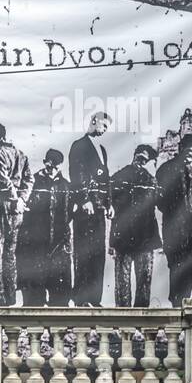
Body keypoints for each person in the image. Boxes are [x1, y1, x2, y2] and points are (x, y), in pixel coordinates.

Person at [0, 122, 33, 306]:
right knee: (10, 254)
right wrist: (22, 199)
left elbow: (2, 179)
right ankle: (9, 297)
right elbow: (29, 179)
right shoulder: (21, 154)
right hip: (16, 212)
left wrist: (15, 197)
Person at [17, 149, 73, 307]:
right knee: (34, 295)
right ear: (45, 162)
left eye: (56, 167)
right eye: (50, 166)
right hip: (36, 245)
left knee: (60, 295)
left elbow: (69, 213)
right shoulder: (32, 183)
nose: (53, 170)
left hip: (59, 244)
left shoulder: (65, 185)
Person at [68, 111, 112, 306]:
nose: (104, 130)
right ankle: (81, 299)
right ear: (94, 122)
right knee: (83, 252)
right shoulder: (79, 146)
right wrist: (84, 199)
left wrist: (110, 204)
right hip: (85, 209)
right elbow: (76, 174)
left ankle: (95, 299)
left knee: (98, 253)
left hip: (100, 208)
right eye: (103, 126)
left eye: (107, 128)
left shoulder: (102, 149)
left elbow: (106, 179)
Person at [110, 144, 161, 307]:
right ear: (134, 155)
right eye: (140, 158)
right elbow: (109, 203)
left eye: (145, 160)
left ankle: (140, 319)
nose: (142, 162)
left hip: (145, 237)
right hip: (124, 236)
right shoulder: (118, 177)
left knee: (144, 281)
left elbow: (158, 203)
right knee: (123, 282)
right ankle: (123, 320)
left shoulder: (151, 179)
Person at [156, 133, 192, 306]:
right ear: (181, 149)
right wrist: (174, 210)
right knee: (177, 265)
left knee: (190, 265)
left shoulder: (190, 170)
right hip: (174, 228)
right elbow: (158, 199)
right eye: (189, 153)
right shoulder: (166, 169)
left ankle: (183, 302)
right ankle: (177, 304)